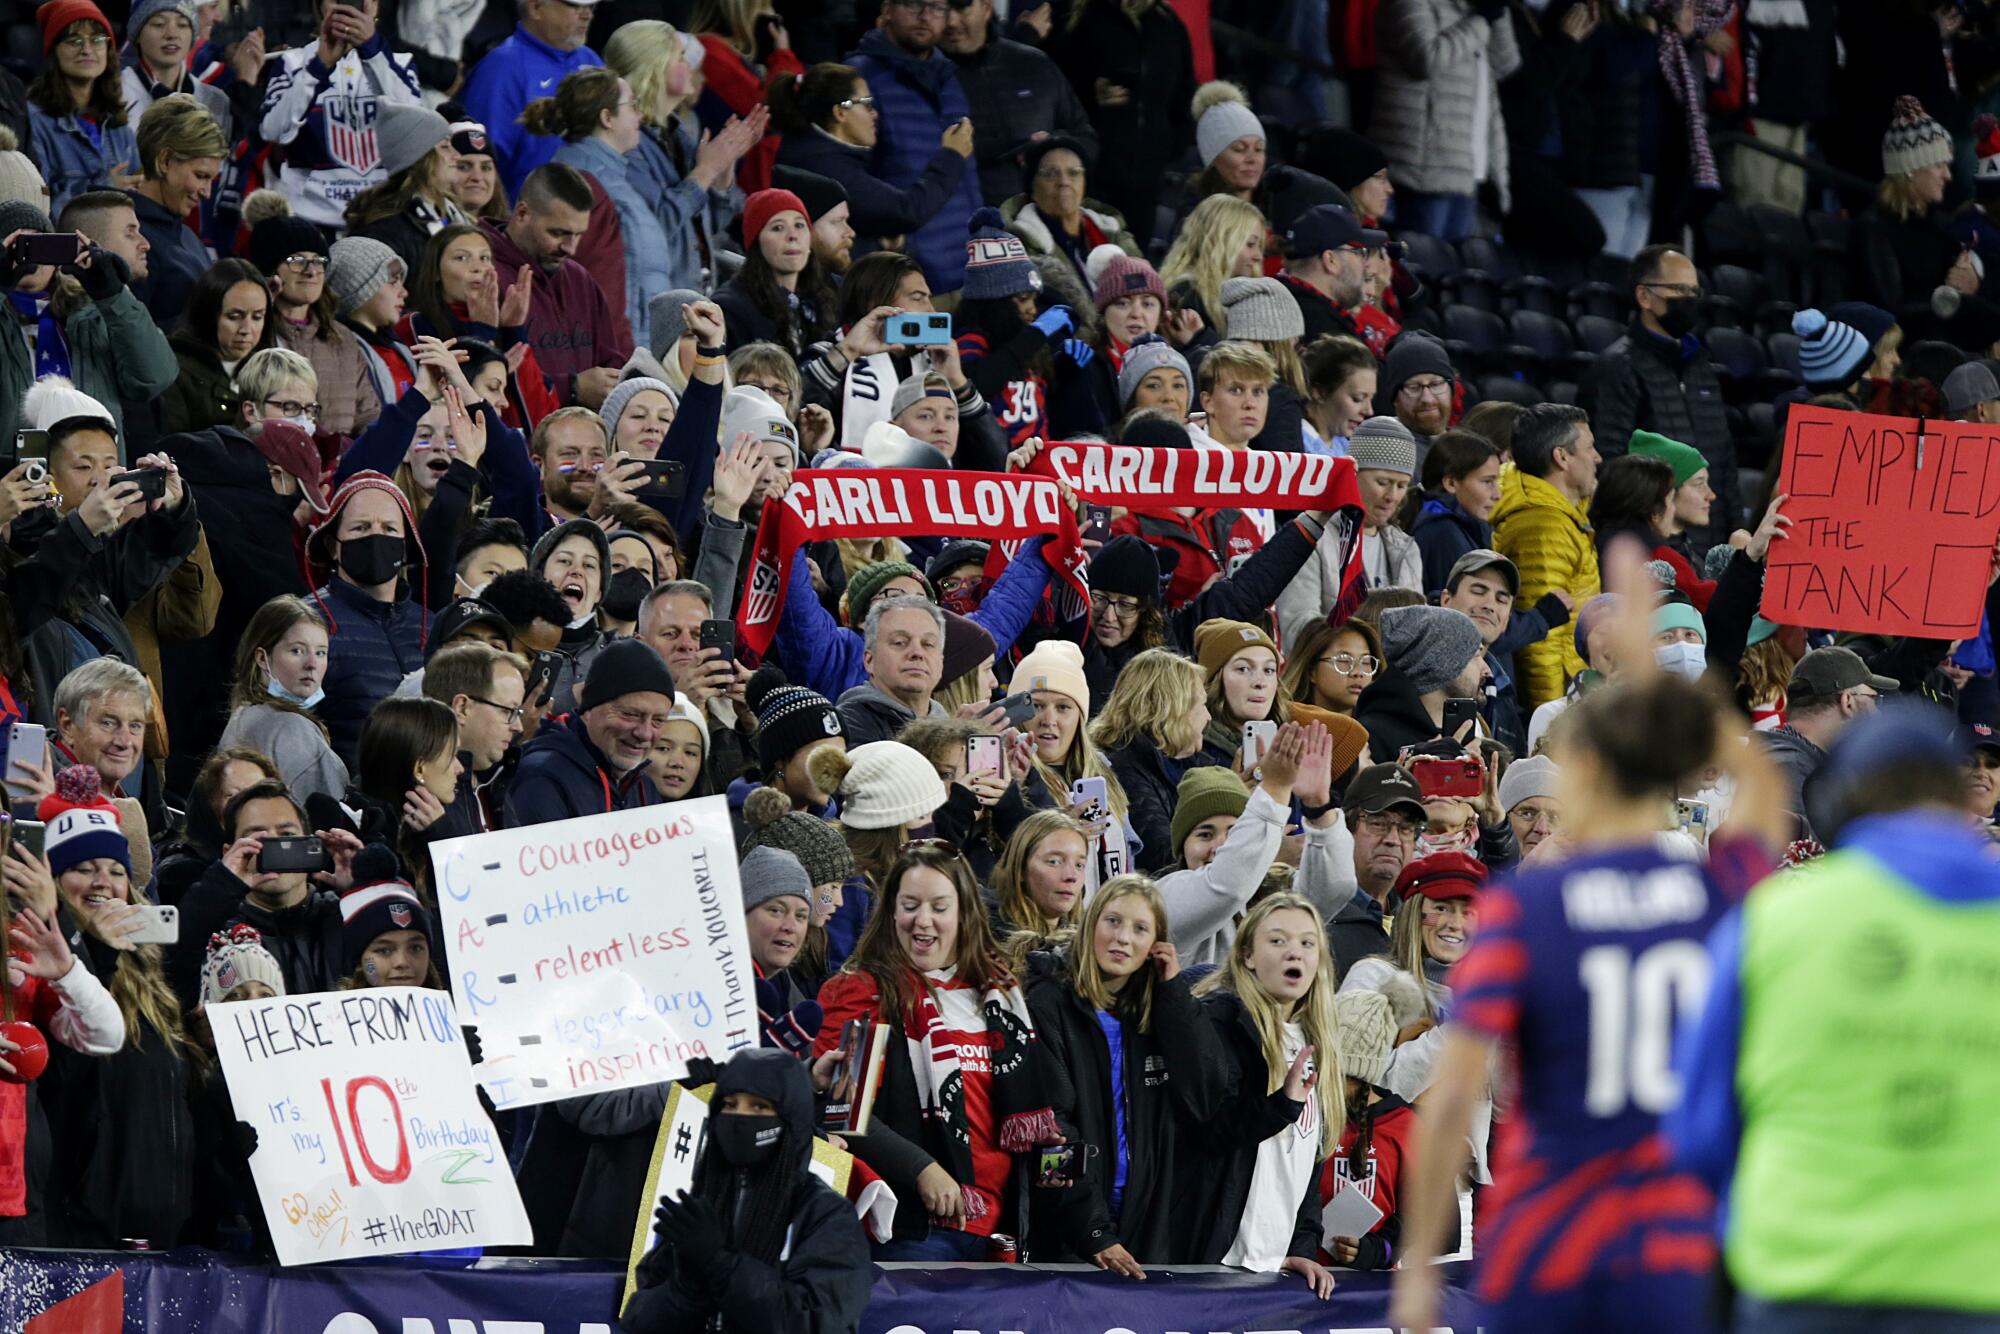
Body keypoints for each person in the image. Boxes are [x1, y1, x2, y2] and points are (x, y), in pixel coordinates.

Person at [1390, 658, 1787, 1332]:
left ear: (1582, 777)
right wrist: (1675, 700)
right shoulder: (1715, 894)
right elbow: (1766, 794)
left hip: (1548, 1237)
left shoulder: (1525, 905)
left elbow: (1453, 1094)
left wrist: (1421, 1264)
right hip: (1675, 1246)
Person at [1672, 703, 2000, 1334]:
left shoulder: (1776, 920)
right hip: (1974, 1285)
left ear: (1845, 801)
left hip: (1802, 1275)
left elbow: (1698, 1128)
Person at [812, 841, 1059, 1259]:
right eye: (910, 904)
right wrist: (921, 1169)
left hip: (1000, 1229)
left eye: (939, 907)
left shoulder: (998, 997)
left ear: (965, 914)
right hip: (912, 1230)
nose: (922, 921)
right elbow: (844, 1113)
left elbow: (1034, 1110)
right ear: (891, 912)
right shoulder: (863, 993)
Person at [1024, 873, 1229, 1271]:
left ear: (1156, 945)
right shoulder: (1047, 1004)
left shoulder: (1156, 1018)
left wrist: (1172, 994)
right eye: (1113, 921)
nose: (1122, 938)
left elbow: (1206, 1095)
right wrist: (1093, 1232)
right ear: (1091, 925)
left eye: (1140, 929)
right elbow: (1051, 1128)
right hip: (1069, 1233)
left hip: (1148, 1229)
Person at [35, 764, 197, 1248]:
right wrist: (94, 953)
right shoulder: (40, 971)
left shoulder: (152, 976)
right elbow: (65, 1074)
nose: (102, 883)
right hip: (77, 1235)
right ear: (52, 883)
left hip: (161, 1238)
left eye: (116, 871)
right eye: (82, 869)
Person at [623, 1048, 873, 1333]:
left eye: (759, 1107)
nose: (741, 1118)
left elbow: (818, 1323)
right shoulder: (701, 1208)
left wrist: (722, 1265)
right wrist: (684, 1290)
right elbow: (638, 1322)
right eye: (729, 1104)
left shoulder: (825, 1214)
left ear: (792, 1118)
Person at [1182, 892, 1342, 1296]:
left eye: (1308, 943)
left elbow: (1308, 1162)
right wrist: (1282, 1104)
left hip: (1272, 1270)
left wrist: (1301, 1247)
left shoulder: (1316, 1039)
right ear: (1248, 955)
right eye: (1278, 940)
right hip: (1214, 1263)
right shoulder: (1220, 1022)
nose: (1296, 953)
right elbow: (1207, 1132)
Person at [1580, 244, 1737, 552]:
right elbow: (1609, 464)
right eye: (1679, 289)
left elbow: (1724, 459)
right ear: (1644, 297)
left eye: (1694, 291)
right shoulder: (1617, 367)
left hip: (1709, 542)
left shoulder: (1702, 368)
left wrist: (1733, 534)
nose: (1689, 300)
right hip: (1651, 547)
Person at [169, 777, 361, 1003]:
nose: (274, 848)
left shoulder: (346, 916)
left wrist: (365, 889)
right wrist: (221, 883)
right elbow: (172, 975)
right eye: (258, 838)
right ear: (229, 853)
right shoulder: (212, 931)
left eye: (287, 836)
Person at [0, 208, 177, 452]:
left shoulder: (93, 313)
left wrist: (114, 295)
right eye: (19, 247)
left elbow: (154, 377)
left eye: (40, 244)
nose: (31, 258)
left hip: (94, 478)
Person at [604, 21, 757, 295]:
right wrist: (706, 171)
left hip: (691, 298)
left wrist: (722, 173)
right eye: (680, 58)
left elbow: (707, 228)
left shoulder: (677, 134)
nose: (691, 67)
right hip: (653, 305)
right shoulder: (625, 144)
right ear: (655, 67)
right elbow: (653, 228)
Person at [844, 0, 983, 293]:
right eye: (913, 4)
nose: (925, 16)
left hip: (969, 271)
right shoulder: (858, 80)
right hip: (909, 280)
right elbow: (851, 181)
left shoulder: (950, 77)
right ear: (887, 9)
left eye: (936, 7)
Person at [769, 61, 972, 260]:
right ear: (840, 112)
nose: (874, 114)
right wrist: (951, 156)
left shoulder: (818, 152)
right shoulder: (822, 165)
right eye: (866, 104)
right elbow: (907, 211)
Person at [534, 68, 677, 348]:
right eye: (632, 106)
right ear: (607, 118)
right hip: (616, 358)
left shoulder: (610, 180)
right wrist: (621, 358)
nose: (641, 116)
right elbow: (595, 285)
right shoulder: (582, 183)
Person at [258, 0, 426, 231]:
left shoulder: (401, 63)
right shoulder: (292, 62)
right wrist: (318, 68)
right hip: (309, 221)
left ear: (374, 5)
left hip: (382, 218)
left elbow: (414, 126)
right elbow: (272, 130)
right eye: (336, 1)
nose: (346, 9)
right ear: (319, 6)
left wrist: (372, 49)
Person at [484, 163, 635, 409]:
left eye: (577, 235)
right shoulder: (484, 275)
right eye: (558, 233)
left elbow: (611, 360)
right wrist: (570, 389)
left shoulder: (581, 281)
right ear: (522, 214)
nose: (570, 248)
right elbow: (477, 378)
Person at [1048, 0, 1194, 250]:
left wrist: (1168, 145)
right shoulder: (1079, 19)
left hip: (1147, 178)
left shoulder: (1167, 23)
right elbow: (1054, 88)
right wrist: (1091, 94)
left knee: (1135, 263)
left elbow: (1185, 93)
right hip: (1091, 174)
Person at [1369, 0, 1521, 242]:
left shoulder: (1474, 11)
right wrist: (1481, 21)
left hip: (1467, 169)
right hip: (1422, 170)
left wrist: (1497, 15)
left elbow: (1506, 65)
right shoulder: (1411, 3)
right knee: (1420, 266)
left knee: (1453, 272)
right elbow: (1426, 58)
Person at [1492, 403, 1602, 710]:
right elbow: (1541, 643)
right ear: (1562, 457)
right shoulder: (1544, 526)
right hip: (1559, 700)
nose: (1597, 458)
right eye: (1590, 448)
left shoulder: (1559, 513)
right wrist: (1550, 723)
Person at [1276, 416, 1419, 649]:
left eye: (1401, 486)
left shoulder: (1408, 549)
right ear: (1352, 474)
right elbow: (1298, 629)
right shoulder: (1313, 538)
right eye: (1382, 482)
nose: (1392, 496)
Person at [940, 0, 1097, 206]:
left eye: (962, 7)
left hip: (1042, 222)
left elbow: (1086, 136)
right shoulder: (920, 78)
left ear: (986, 8)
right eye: (941, 9)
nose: (951, 21)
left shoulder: (1034, 63)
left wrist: (1055, 146)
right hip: (965, 225)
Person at [503, 637, 674, 824]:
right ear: (588, 710)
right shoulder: (541, 779)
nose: (644, 733)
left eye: (658, 721)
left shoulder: (642, 785)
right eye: (630, 714)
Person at [249, 209, 382, 438]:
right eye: (298, 260)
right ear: (269, 269)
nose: (311, 271)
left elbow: (368, 415)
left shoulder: (342, 338)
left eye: (318, 261)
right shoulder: (252, 333)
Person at [459, 0, 604, 197]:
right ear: (536, 7)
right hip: (529, 215)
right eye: (575, 7)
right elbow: (481, 161)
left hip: (592, 210)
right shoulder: (501, 69)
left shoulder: (591, 60)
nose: (588, 15)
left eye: (591, 7)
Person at [1318, 988, 1417, 1272]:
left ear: (1362, 1075)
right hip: (1300, 1279)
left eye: (1339, 1075)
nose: (1327, 1082)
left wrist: (1376, 1250)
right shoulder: (1309, 1111)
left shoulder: (1406, 1125)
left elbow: (1422, 1218)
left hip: (1370, 1290)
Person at [217, 595, 348, 805]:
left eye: (321, 652)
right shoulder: (293, 729)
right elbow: (330, 819)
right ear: (262, 658)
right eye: (297, 651)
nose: (312, 664)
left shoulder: (243, 716)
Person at [1761, 645, 1898, 842]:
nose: (1878, 712)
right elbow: (1799, 864)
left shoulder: (1799, 761)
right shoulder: (1789, 769)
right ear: (1847, 702)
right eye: (1874, 699)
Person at [1440, 549, 1565, 757]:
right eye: (1478, 591)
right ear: (1445, 600)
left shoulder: (1503, 695)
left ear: (1506, 620)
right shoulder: (1419, 677)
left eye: (1502, 599)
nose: (1489, 605)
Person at [121, 94, 223, 329]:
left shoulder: (188, 236)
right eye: (201, 176)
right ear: (165, 160)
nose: (206, 192)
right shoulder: (126, 237)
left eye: (211, 180)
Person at [27, 0, 137, 217]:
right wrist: (103, 190)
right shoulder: (34, 121)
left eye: (97, 39)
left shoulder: (119, 126)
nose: (87, 49)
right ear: (53, 52)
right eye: (74, 40)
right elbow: (39, 210)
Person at [343, 100, 467, 274]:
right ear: (419, 158)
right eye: (445, 147)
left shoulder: (453, 213)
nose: (457, 156)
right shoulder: (384, 231)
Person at [1353, 603, 1488, 761]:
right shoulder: (1369, 738)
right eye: (1475, 655)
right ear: (1441, 663)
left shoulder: (1467, 738)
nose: (1487, 669)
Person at [418, 639, 525, 836]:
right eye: (508, 712)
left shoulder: (494, 778)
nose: (518, 727)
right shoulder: (413, 794)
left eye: (519, 713)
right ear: (462, 708)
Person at [998, 138, 1138, 286]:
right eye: (1051, 174)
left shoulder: (1112, 231)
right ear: (1032, 188)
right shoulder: (1017, 247)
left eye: (1073, 173)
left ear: (1085, 183)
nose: (1064, 182)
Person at [713, 186, 835, 356]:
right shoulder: (731, 308)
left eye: (800, 225)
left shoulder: (821, 299)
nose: (793, 236)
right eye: (778, 228)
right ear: (756, 242)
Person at [163, 258, 277, 435]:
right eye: (234, 316)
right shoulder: (174, 370)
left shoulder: (271, 369)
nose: (246, 329)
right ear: (208, 315)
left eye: (257, 317)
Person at [835, 595, 949, 747]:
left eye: (928, 644)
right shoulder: (846, 726)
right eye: (899, 642)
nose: (917, 652)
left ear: (941, 663)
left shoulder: (949, 728)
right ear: (870, 660)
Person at [1409, 428, 1504, 597]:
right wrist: (1541, 616)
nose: (1497, 494)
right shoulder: (1442, 533)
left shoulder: (1458, 527)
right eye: (1487, 482)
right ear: (1451, 483)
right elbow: (1465, 613)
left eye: (1496, 481)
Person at [1276, 204, 1379, 344]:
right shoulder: (1327, 332)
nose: (1365, 264)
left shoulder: (1277, 306)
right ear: (1331, 261)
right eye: (1360, 252)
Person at [987, 810, 1092, 941]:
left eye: (1079, 865)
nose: (1071, 876)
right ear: (1020, 868)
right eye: (1054, 862)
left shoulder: (1087, 942)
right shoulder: (986, 939)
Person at [1281, 618, 1381, 717]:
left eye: (1366, 662)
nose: (1358, 672)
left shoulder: (1380, 728)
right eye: (1344, 660)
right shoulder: (1281, 727)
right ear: (1311, 671)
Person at [1377, 334, 1456, 458]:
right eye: (1413, 387)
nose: (1427, 399)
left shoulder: (1470, 448)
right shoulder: (1387, 454)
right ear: (1394, 398)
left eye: (1435, 384)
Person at [1300, 334, 1377, 452]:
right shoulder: (1295, 446)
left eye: (1370, 399)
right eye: (1358, 398)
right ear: (1320, 393)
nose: (1368, 411)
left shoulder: (1345, 447)